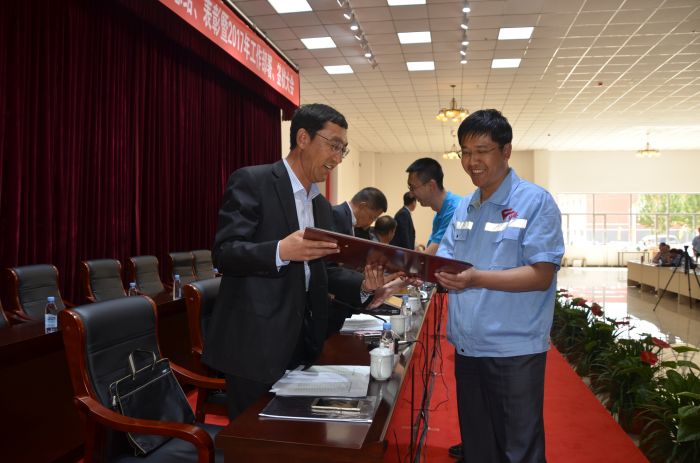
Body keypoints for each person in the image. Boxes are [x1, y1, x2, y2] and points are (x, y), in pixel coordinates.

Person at [203, 103, 392, 420]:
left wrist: (365, 285)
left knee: (294, 435)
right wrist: (280, 250)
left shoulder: (320, 205)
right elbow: (226, 252)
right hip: (255, 345)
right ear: (303, 138)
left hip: (304, 342)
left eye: (343, 150)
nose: (337, 158)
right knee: (254, 439)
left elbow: (325, 270)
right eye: (334, 146)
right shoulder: (253, 181)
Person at [434, 109, 564, 463]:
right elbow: (444, 259)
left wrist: (475, 277)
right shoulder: (465, 207)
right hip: (467, 347)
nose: (472, 161)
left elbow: (541, 274)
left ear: (506, 151)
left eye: (482, 151)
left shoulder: (535, 202)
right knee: (478, 448)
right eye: (465, 152)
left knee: (518, 450)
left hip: (513, 351)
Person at [406, 158, 461, 255]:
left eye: (413, 187)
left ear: (431, 186)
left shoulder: (455, 210)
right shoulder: (440, 213)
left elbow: (431, 255)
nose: (411, 194)